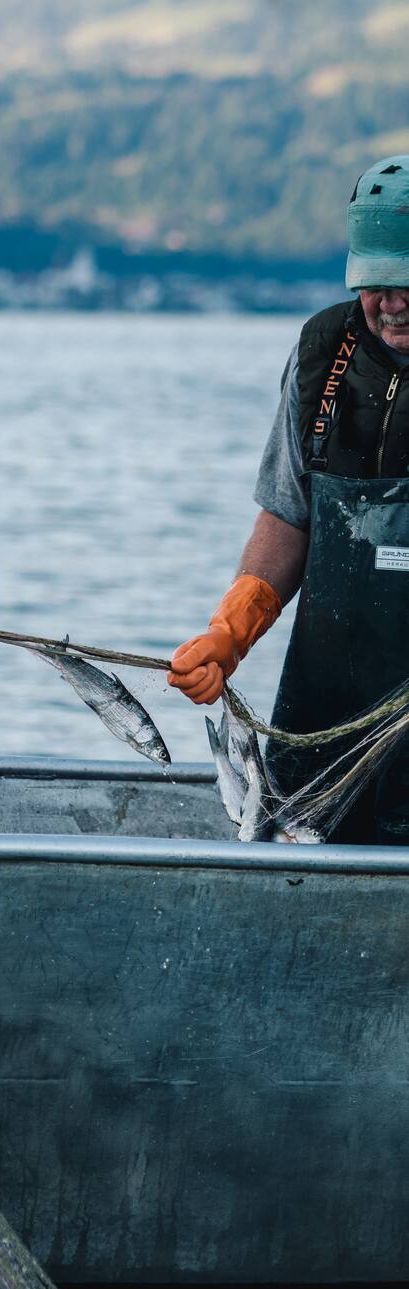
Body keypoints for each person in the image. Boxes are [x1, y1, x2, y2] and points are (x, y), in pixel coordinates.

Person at [168, 155, 409, 845]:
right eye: (377, 284)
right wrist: (230, 633)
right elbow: (288, 515)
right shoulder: (322, 353)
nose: (394, 304)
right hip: (326, 707)